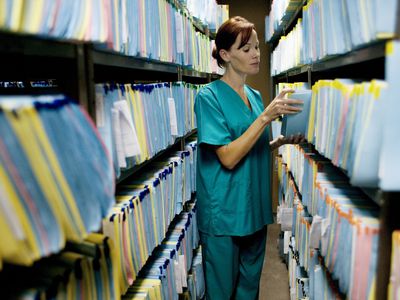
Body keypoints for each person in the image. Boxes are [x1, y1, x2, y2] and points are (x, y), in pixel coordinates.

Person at [194, 16, 305, 299]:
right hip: (225, 214)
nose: (256, 54)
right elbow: (228, 157)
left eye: (257, 47)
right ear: (225, 55)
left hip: (254, 211)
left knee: (248, 292)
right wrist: (267, 116)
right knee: (221, 293)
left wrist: (278, 141)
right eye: (246, 49)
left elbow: (250, 145)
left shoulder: (255, 96)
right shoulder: (208, 97)